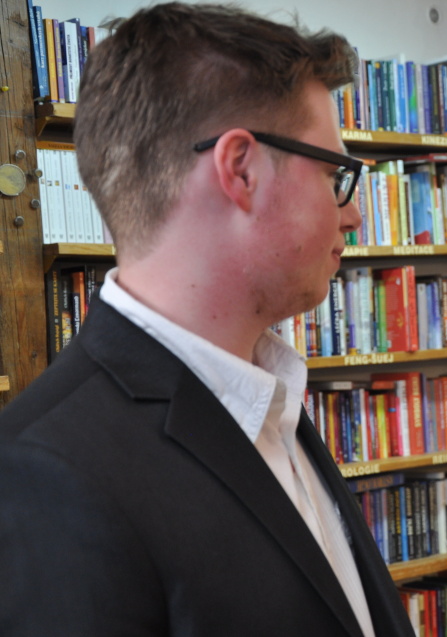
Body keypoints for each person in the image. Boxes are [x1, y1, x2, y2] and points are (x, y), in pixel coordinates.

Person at [0, 4, 414, 636]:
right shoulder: (44, 476)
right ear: (240, 169)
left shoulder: (265, 397)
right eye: (335, 174)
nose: (352, 215)